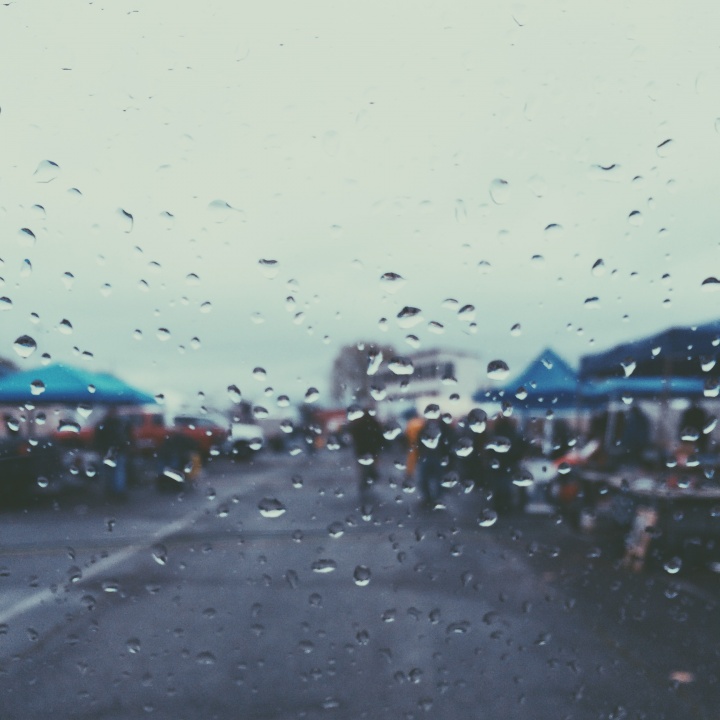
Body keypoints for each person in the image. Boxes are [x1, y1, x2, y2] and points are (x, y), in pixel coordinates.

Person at [95, 408, 133, 498]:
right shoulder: (121, 423)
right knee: (118, 471)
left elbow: (98, 438)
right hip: (118, 450)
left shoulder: (103, 423)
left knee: (110, 471)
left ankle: (111, 490)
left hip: (107, 450)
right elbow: (126, 437)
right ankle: (118, 491)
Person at [417, 417, 454, 507]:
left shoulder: (444, 428)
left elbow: (448, 442)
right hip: (427, 456)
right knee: (424, 478)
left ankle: (437, 498)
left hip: (438, 457)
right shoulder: (425, 427)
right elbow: (419, 440)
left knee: (439, 479)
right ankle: (428, 497)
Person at [348, 408, 385, 493]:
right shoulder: (374, 423)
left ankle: (365, 479)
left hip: (362, 449)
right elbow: (379, 435)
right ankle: (371, 476)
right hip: (372, 449)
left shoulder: (358, 424)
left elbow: (354, 435)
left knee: (363, 467)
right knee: (372, 465)